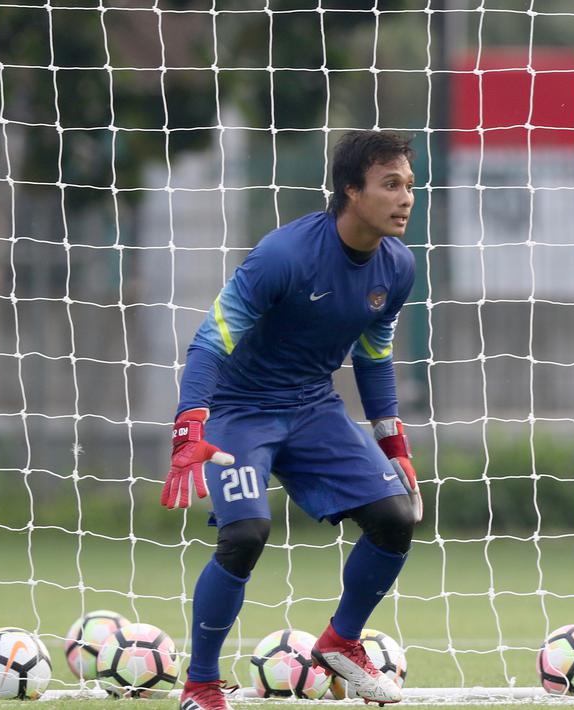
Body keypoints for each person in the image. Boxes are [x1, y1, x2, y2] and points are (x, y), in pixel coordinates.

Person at [161, 130, 422, 710]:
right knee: (246, 535)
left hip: (312, 406)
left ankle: (339, 645)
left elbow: (374, 354)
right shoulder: (284, 255)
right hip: (238, 410)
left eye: (409, 185)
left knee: (394, 519)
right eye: (390, 185)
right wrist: (190, 426)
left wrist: (392, 442)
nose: (406, 198)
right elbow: (210, 340)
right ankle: (201, 684)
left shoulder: (399, 268)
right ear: (352, 191)